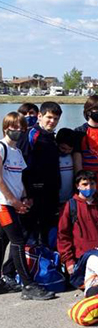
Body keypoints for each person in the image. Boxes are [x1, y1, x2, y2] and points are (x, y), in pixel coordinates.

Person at [0, 112, 55, 299]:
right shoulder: (1, 147)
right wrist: (13, 201)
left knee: (3, 241)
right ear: (5, 127)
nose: (17, 130)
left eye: (21, 128)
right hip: (3, 205)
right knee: (18, 242)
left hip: (15, 203)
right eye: (13, 127)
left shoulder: (16, 152)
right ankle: (28, 285)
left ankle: (2, 281)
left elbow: (19, 179)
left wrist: (25, 197)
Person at [22, 101, 62, 245]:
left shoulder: (51, 137)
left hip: (51, 192)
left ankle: (44, 257)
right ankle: (20, 259)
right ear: (40, 116)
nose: (52, 121)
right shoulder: (30, 134)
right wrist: (26, 193)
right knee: (28, 233)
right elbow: (22, 165)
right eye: (49, 117)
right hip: (33, 192)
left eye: (56, 119)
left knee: (47, 230)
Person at [57, 170, 98, 276]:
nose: (88, 187)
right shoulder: (70, 206)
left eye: (92, 184)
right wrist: (69, 261)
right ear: (77, 186)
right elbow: (63, 236)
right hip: (80, 260)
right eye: (84, 184)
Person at [56, 128, 76, 206]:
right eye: (63, 148)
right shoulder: (53, 157)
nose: (66, 152)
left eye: (69, 149)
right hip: (56, 199)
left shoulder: (74, 157)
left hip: (70, 200)